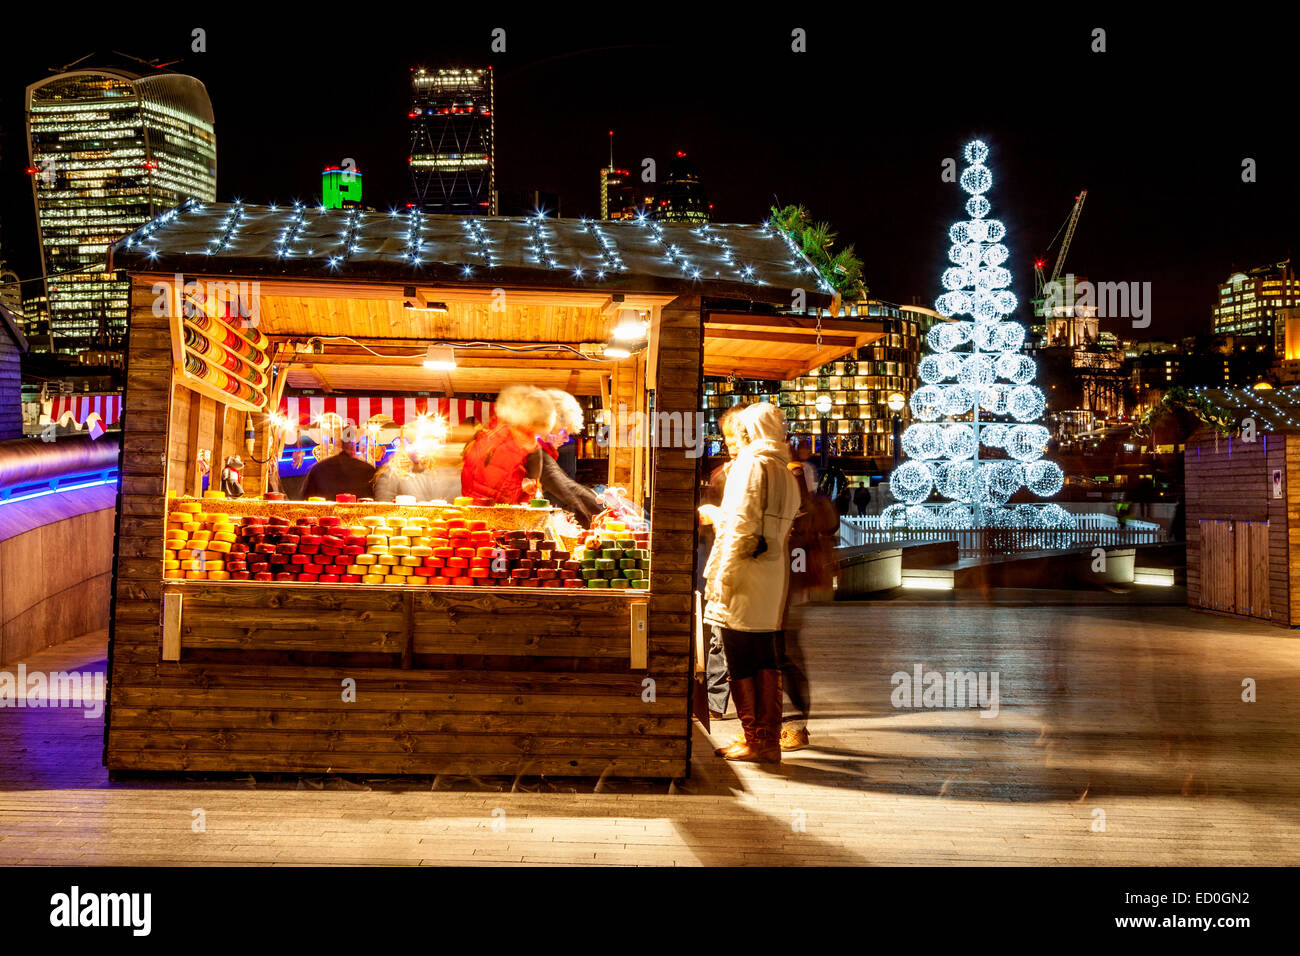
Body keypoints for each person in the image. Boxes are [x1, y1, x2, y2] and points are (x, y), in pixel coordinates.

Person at [701, 402, 801, 764]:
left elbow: (739, 530)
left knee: (740, 659)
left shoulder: (749, 466)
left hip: (742, 576)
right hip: (772, 578)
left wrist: (721, 581)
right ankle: (768, 740)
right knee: (765, 657)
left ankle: (754, 740)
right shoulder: (783, 470)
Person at [777, 450, 839, 751]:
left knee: (786, 651)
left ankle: (795, 725)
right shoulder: (798, 472)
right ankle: (784, 723)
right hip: (790, 579)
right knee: (784, 650)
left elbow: (796, 522)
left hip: (789, 579)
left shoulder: (793, 474)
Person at [698, 404, 746, 721]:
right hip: (722, 562)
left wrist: (716, 517)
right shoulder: (723, 475)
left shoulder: (764, 473)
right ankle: (718, 704)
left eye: (735, 438)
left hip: (739, 566)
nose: (730, 446)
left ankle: (754, 721)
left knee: (726, 637)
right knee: (718, 636)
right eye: (727, 439)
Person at [461, 385, 556, 503]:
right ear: (514, 423)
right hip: (484, 516)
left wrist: (525, 490)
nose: (533, 441)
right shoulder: (492, 446)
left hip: (504, 515)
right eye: (528, 432)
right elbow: (480, 492)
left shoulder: (529, 452)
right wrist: (520, 488)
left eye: (535, 433)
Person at [538, 389, 602, 526]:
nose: (566, 439)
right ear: (549, 424)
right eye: (564, 432)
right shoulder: (530, 449)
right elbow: (564, 486)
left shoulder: (531, 445)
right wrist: (603, 509)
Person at [300, 440, 376, 501]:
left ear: (338, 444)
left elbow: (305, 499)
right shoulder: (368, 469)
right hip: (360, 517)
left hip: (325, 517)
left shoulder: (318, 468)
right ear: (354, 447)